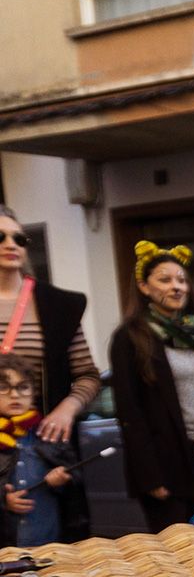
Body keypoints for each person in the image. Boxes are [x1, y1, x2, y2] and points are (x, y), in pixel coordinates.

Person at [107, 242, 194, 531]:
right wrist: (150, 475)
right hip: (167, 463)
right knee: (178, 551)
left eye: (182, 280)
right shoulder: (130, 337)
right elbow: (130, 411)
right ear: (144, 287)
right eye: (165, 279)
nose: (177, 287)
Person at [0, 207, 98, 542]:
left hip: (41, 443)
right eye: (1, 237)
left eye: (19, 237)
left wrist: (67, 409)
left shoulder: (57, 304)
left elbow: (87, 375)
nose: (11, 243)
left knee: (50, 543)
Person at [0, 356, 76, 548]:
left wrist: (62, 478)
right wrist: (3, 500)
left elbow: (77, 476)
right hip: (8, 542)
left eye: (23, 387)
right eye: (3, 387)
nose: (15, 395)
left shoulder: (48, 433)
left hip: (49, 537)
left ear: (33, 393)